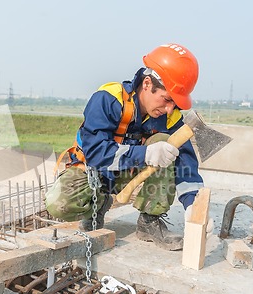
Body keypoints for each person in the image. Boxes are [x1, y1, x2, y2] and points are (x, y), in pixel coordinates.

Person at [45, 43, 204, 251]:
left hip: (129, 173)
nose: (169, 109)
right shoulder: (108, 99)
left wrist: (193, 205)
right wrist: (145, 153)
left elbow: (186, 164)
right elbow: (95, 153)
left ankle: (149, 220)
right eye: (166, 99)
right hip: (95, 172)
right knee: (58, 204)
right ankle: (97, 204)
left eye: (174, 103)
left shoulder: (170, 117)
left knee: (166, 144)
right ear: (147, 84)